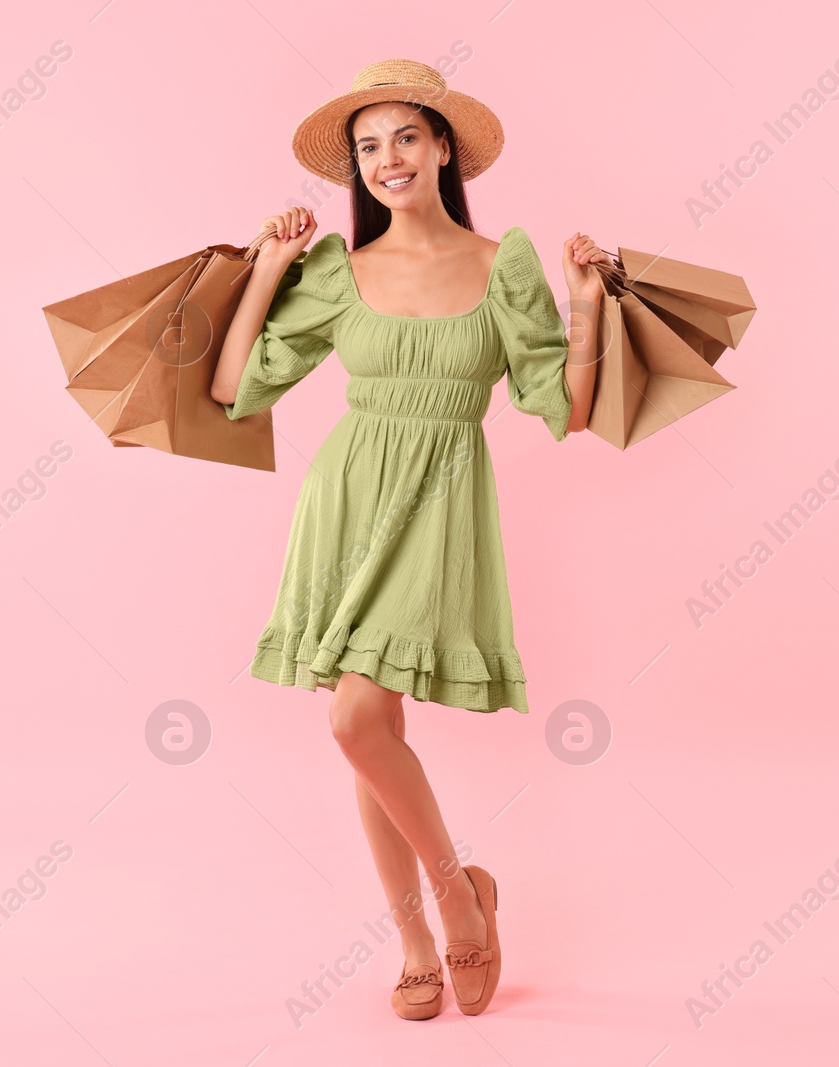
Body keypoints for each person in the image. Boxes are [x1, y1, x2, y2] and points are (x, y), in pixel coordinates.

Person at [210, 58, 605, 1020]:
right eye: (368, 146)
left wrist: (585, 300)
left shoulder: (500, 262)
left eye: (404, 138)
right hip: (346, 504)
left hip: (442, 505)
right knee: (366, 726)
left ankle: (461, 896)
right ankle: (424, 930)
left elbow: (567, 406)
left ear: (442, 148)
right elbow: (233, 387)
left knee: (356, 721)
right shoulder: (337, 271)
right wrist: (264, 268)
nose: (387, 159)